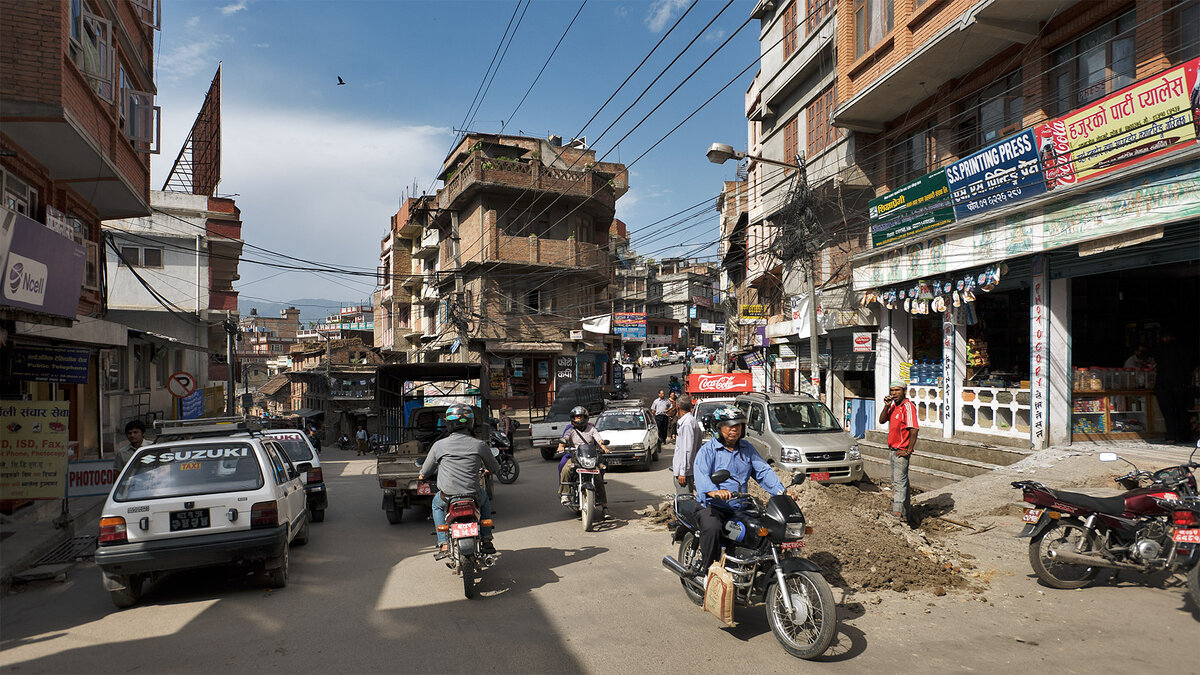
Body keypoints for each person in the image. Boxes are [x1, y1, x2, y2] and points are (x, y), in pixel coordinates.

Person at [692, 407, 786, 576]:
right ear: (718, 428)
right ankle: (708, 574)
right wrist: (714, 491)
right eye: (728, 425)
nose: (734, 429)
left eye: (738, 425)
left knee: (764, 529)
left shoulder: (747, 448)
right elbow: (701, 475)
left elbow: (763, 471)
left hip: (741, 506)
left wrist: (781, 492)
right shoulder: (708, 451)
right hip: (714, 506)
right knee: (712, 529)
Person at [419, 404, 501, 559]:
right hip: (472, 495)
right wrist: (490, 469)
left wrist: (422, 476)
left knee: (436, 505)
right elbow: (494, 467)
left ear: (448, 424)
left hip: (447, 497)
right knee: (484, 500)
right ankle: (487, 538)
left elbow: (425, 471)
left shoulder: (439, 445)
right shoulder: (479, 445)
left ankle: (443, 542)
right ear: (470, 423)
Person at [555, 406, 611, 517]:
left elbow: (599, 440)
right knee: (565, 468)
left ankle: (604, 507)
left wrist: (604, 447)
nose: (578, 419)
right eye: (576, 417)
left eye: (580, 417)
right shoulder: (570, 430)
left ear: (585, 417)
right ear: (573, 418)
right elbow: (564, 439)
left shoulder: (592, 429)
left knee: (599, 478)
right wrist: (561, 446)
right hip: (575, 456)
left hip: (590, 456)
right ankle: (565, 493)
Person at [878, 381, 918, 524]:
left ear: (904, 391)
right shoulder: (894, 406)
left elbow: (914, 429)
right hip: (893, 449)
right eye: (892, 390)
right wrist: (886, 406)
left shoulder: (908, 407)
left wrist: (908, 450)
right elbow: (882, 420)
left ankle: (897, 512)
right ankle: (906, 514)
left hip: (901, 451)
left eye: (897, 390)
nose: (894, 393)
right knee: (901, 482)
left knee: (899, 483)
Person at [1154, 330, 1194, 443]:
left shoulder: (1161, 349)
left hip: (1164, 385)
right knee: (1182, 411)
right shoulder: (1185, 349)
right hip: (1181, 385)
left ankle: (1171, 436)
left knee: (1168, 412)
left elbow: (1157, 364)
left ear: (1165, 338)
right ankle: (1185, 436)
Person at [672, 396, 702, 493]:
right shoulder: (689, 421)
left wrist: (683, 472)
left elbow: (687, 449)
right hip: (685, 470)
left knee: (685, 502)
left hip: (685, 473)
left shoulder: (687, 423)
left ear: (677, 407)